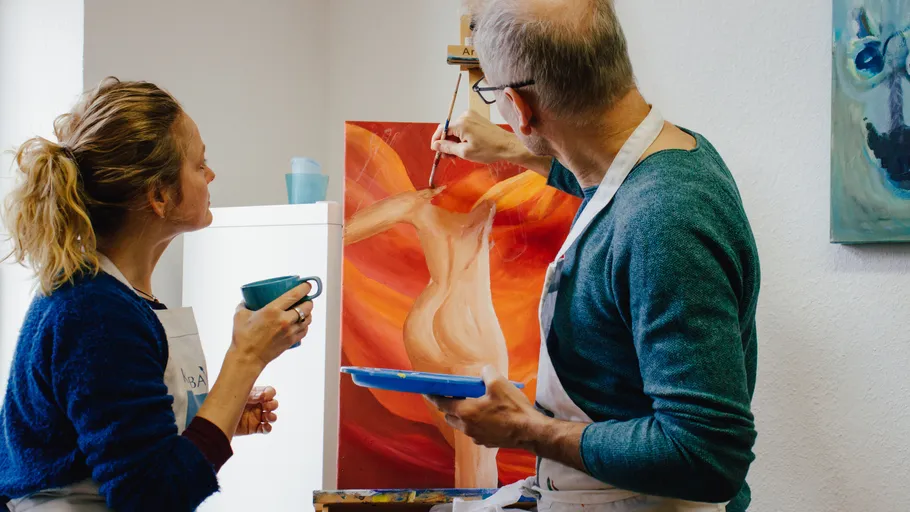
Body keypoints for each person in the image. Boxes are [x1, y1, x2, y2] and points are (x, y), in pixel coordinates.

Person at [428, 1, 760, 511]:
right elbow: (604, 188)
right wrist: (515, 149)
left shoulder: (664, 219)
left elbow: (707, 455)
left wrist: (524, 429)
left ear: (519, 107)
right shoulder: (672, 157)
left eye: (490, 94)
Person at [0, 77, 315, 511]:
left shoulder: (112, 296)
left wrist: (209, 417)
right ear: (160, 195)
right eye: (199, 165)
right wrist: (246, 360)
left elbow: (124, 444)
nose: (211, 175)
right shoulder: (95, 313)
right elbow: (153, 497)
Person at [345, 187, 507, 488]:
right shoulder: (489, 202)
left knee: (463, 442)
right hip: (466, 325)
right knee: (478, 456)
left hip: (423, 322)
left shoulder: (418, 206)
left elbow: (343, 234)